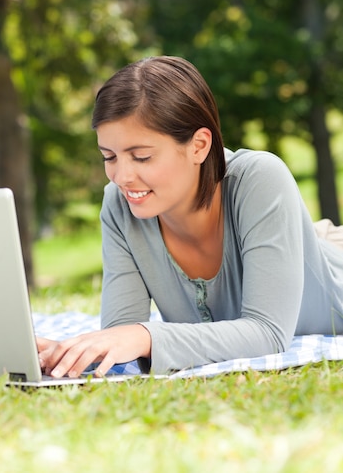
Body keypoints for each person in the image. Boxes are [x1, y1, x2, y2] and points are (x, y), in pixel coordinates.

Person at [37, 55, 343, 378]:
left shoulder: (260, 179)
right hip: (284, 237)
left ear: (199, 145)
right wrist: (67, 353)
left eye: (141, 157)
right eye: (108, 157)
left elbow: (267, 332)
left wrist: (147, 336)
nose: (121, 176)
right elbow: (121, 335)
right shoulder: (119, 205)